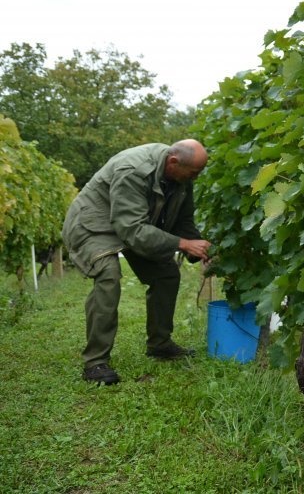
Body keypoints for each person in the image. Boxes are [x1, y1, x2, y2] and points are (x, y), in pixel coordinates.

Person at [62, 140, 212, 385]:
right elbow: (132, 230)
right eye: (194, 172)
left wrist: (198, 248)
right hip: (94, 224)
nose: (196, 178)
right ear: (173, 162)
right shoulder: (133, 169)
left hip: (133, 223)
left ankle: (160, 344)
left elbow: (183, 222)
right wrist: (182, 244)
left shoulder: (182, 179)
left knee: (167, 273)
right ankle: (95, 362)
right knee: (109, 275)